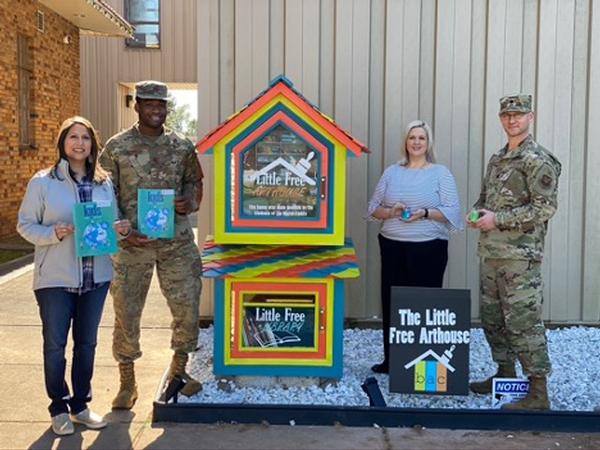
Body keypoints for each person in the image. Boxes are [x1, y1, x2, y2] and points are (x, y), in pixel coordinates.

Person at [17, 116, 131, 435]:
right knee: (55, 345)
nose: (79, 143)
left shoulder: (103, 182)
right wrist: (53, 233)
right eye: (73, 137)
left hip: (95, 278)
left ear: (93, 144)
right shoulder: (43, 182)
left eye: (85, 137)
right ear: (62, 142)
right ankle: (58, 407)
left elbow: (111, 223)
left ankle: (81, 405)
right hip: (55, 278)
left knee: (87, 344)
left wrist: (120, 230)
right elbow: (24, 225)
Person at [100, 80, 204, 409]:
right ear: (138, 106)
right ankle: (127, 382)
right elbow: (103, 194)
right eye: (149, 104)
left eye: (161, 105)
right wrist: (121, 230)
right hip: (132, 244)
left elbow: (195, 181)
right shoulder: (116, 147)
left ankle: (178, 371)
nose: (156, 110)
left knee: (187, 307)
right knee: (126, 313)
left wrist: (190, 201)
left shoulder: (182, 146)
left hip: (176, 243)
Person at [467, 94, 561, 410]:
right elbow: (485, 199)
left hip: (520, 258)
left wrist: (499, 220)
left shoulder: (538, 160)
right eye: (507, 115)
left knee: (523, 322)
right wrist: (478, 214)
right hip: (492, 254)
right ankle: (504, 374)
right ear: (501, 118)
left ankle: (538, 393)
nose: (512, 120)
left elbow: (545, 208)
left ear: (530, 118)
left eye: (518, 115)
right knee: (493, 320)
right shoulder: (498, 159)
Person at [366, 120, 463, 374]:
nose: (416, 142)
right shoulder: (391, 172)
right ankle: (392, 361)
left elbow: (453, 212)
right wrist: (391, 211)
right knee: (392, 302)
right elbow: (372, 209)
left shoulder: (440, 173)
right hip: (392, 247)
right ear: (405, 142)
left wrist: (426, 213)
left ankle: (424, 366)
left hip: (428, 249)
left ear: (428, 142)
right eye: (412, 138)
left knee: (425, 306)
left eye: (421, 138)